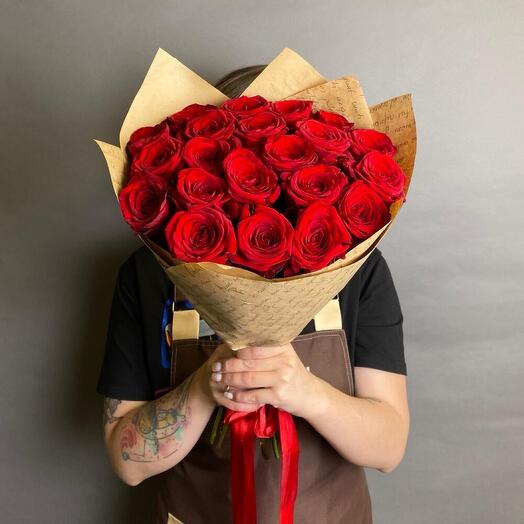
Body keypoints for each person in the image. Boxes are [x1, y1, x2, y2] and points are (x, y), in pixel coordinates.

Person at [97, 66, 410, 524]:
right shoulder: (146, 274)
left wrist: (306, 393)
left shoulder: (360, 271)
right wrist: (207, 385)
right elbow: (126, 462)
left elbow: (389, 448)